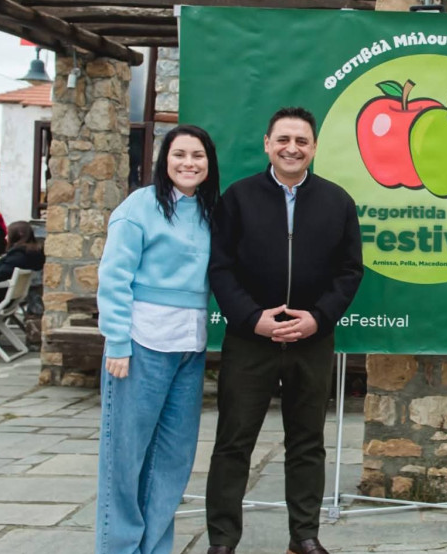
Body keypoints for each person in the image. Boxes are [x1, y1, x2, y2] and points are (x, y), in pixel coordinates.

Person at [205, 106, 363, 554]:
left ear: (313, 147)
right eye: (283, 140)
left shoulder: (337, 201)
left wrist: (319, 317)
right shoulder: (237, 198)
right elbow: (220, 268)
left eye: (301, 141)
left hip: (311, 341)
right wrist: (252, 318)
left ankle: (304, 535)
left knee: (307, 442)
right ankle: (222, 539)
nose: (292, 148)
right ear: (267, 144)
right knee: (233, 442)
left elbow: (350, 271)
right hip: (249, 340)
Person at [95, 125, 221, 554]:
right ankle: (120, 548)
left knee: (172, 460)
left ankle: (154, 546)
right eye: (179, 154)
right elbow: (114, 277)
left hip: (190, 347)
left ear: (209, 163)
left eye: (198, 155)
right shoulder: (139, 207)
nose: (189, 163)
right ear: (164, 160)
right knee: (125, 459)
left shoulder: (209, 211)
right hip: (141, 344)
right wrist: (116, 341)